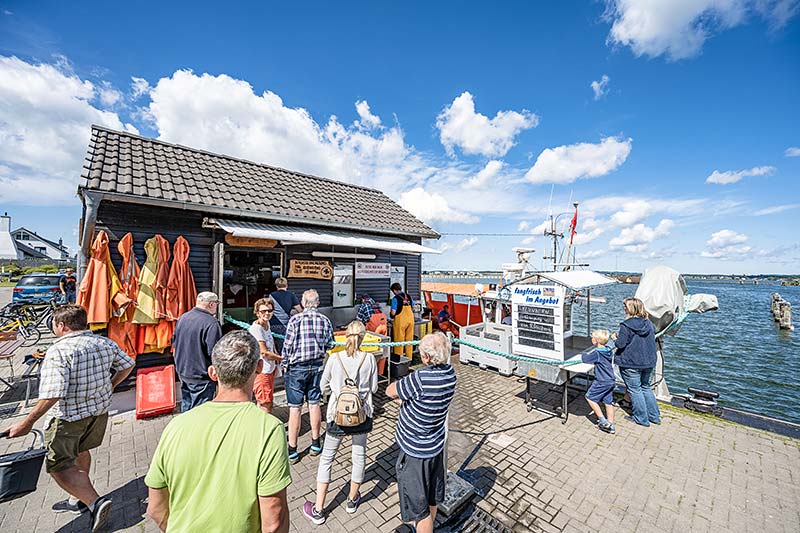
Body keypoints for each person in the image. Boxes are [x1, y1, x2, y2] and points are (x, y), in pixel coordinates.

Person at [4, 304, 135, 532]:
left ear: (61, 325)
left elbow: (53, 394)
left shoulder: (59, 351)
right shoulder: (104, 342)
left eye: (54, 324)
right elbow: (128, 364)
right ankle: (77, 498)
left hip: (69, 417)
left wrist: (27, 422)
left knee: (58, 465)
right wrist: (111, 385)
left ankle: (95, 502)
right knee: (82, 451)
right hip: (98, 413)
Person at [145, 331, 292, 533]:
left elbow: (155, 508)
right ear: (258, 367)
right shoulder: (269, 429)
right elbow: (274, 520)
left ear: (213, 373)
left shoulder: (176, 426)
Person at [302, 321, 378, 525]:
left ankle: (318, 509)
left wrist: (336, 392)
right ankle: (352, 500)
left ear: (345, 336)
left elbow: (322, 385)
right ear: (363, 337)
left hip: (337, 415)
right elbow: (374, 388)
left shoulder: (334, 358)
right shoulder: (369, 359)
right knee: (359, 456)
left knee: (327, 458)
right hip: (361, 415)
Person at [386, 332, 457, 533]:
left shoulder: (419, 378)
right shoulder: (450, 375)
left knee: (419, 510)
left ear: (426, 358)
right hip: (435, 446)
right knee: (432, 496)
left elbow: (390, 390)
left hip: (416, 453)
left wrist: (404, 400)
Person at [282, 288, 334, 464]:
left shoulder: (295, 319)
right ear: (317, 303)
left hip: (297, 368)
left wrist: (284, 365)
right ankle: (315, 443)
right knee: (314, 405)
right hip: (317, 366)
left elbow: (287, 347)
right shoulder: (325, 320)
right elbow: (330, 343)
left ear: (303, 303)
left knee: (295, 408)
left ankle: (292, 449)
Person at [613, 297, 661, 427]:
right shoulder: (649, 324)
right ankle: (654, 416)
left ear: (631, 309)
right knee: (646, 387)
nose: (624, 308)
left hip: (631, 363)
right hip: (648, 362)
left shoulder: (626, 325)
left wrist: (615, 338)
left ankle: (641, 418)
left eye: (626, 306)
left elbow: (620, 344)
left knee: (635, 389)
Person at [172, 292, 223, 412]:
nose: (217, 306)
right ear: (211, 304)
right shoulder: (211, 323)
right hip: (201, 375)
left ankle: (185, 429)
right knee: (200, 412)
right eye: (216, 303)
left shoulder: (183, 317)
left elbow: (174, 342)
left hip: (183, 371)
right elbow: (215, 353)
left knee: (187, 408)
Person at [249, 298, 282, 413]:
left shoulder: (267, 325)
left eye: (269, 310)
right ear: (257, 313)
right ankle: (264, 428)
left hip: (269, 368)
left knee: (267, 399)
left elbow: (271, 346)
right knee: (265, 402)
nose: (267, 313)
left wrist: (276, 356)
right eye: (263, 311)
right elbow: (264, 352)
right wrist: (282, 359)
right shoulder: (256, 329)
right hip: (261, 370)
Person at [581, 329, 616, 434]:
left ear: (596, 341)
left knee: (590, 397)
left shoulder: (597, 353)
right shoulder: (608, 350)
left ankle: (603, 421)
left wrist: (583, 353)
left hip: (601, 381)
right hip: (610, 380)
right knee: (608, 402)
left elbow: (585, 359)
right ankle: (611, 424)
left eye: (592, 337)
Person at [269, 277, 302, 352]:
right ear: (287, 285)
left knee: (273, 347)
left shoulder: (271, 296)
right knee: (284, 348)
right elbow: (300, 311)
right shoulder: (291, 295)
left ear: (276, 286)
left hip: (272, 324)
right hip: (285, 325)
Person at [390, 282, 415, 361]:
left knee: (399, 341)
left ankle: (399, 359)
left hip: (401, 321)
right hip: (411, 320)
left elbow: (393, 312)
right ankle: (409, 359)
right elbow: (413, 307)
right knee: (409, 340)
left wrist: (391, 315)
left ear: (394, 290)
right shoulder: (409, 296)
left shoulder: (395, 299)